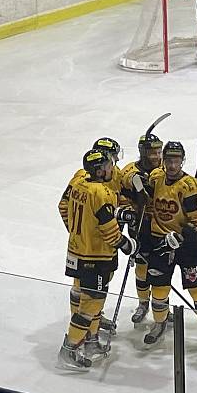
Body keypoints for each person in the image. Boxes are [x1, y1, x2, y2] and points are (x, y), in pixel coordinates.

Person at [56, 148, 138, 371]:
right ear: (100, 170)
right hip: (96, 256)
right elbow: (108, 229)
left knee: (88, 299)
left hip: (76, 251)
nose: (113, 167)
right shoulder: (101, 192)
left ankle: (90, 340)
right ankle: (69, 349)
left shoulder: (79, 184)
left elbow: (65, 208)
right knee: (91, 305)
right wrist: (126, 244)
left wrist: (77, 232)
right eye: (109, 164)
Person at [143, 141, 197, 348]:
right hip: (160, 243)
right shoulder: (155, 178)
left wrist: (181, 237)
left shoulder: (189, 186)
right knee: (159, 290)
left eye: (176, 161)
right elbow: (147, 201)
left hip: (187, 247)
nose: (171, 165)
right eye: (168, 160)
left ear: (182, 161)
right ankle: (159, 323)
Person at [62, 137, 125, 335]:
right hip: (99, 248)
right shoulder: (93, 183)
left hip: (81, 246)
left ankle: (90, 325)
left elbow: (64, 205)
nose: (113, 162)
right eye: (111, 158)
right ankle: (84, 331)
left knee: (90, 290)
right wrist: (85, 232)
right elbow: (66, 206)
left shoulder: (82, 179)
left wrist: (77, 232)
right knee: (88, 292)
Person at [117, 133, 164, 323]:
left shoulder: (163, 170)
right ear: (142, 152)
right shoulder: (130, 171)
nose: (156, 156)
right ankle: (143, 302)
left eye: (158, 151)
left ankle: (162, 307)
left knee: (161, 271)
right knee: (142, 268)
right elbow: (122, 194)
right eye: (152, 152)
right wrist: (130, 210)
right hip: (140, 227)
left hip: (162, 227)